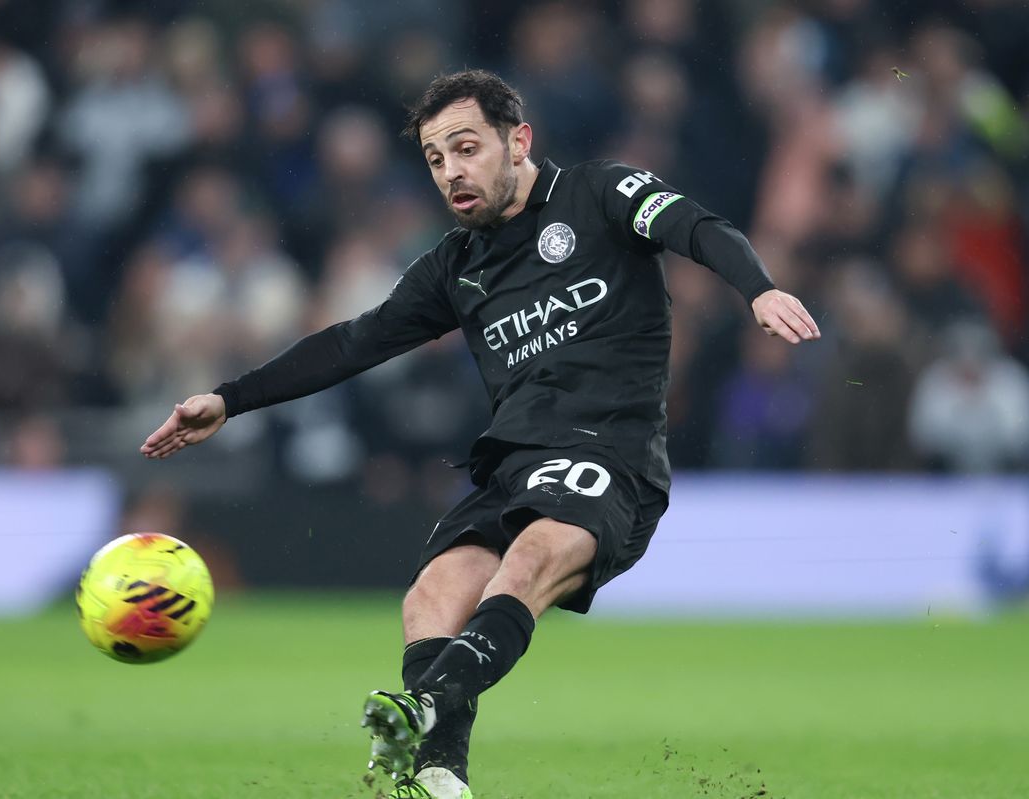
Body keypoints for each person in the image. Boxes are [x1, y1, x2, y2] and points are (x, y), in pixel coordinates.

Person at [140, 69, 820, 799]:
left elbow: (698, 226)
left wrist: (759, 287)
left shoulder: (598, 194)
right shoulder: (457, 265)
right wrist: (228, 397)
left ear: (517, 140)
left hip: (609, 456)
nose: (452, 172)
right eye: (436, 160)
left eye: (466, 149)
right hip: (511, 466)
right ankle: (440, 778)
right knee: (429, 598)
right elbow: (352, 342)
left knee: (526, 563)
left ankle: (422, 706)